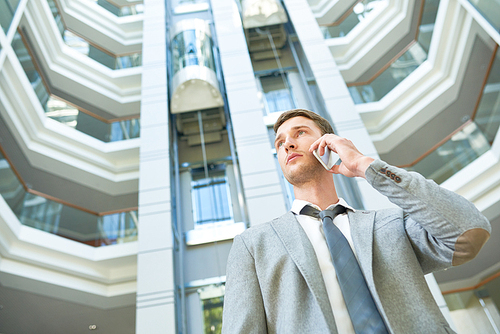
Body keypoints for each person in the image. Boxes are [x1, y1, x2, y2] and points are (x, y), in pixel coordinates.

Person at [221, 109, 491, 334]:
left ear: (327, 143)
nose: (287, 144)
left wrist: (366, 166)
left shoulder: (392, 225)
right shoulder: (253, 245)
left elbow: (469, 232)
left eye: (300, 133)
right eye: (280, 143)